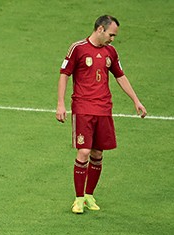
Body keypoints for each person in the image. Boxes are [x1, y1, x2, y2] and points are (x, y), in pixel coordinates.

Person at [56, 15, 147, 214]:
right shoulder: (78, 48)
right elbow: (64, 74)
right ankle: (78, 199)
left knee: (98, 153)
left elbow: (120, 76)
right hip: (83, 108)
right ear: (100, 29)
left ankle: (89, 195)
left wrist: (136, 100)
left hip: (104, 109)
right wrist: (61, 103)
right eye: (111, 34)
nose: (113, 39)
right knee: (84, 152)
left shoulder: (111, 52)